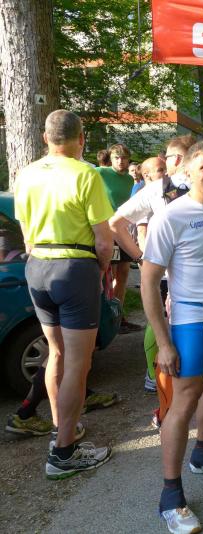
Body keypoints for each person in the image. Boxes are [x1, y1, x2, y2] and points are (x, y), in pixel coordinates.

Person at [140, 139, 203, 534]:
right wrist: (164, 342)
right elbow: (149, 281)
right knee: (184, 401)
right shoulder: (172, 216)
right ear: (188, 172)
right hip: (189, 321)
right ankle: (170, 495)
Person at [109, 135, 203, 430]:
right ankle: (163, 403)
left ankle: (197, 433)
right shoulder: (159, 192)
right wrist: (142, 258)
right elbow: (116, 223)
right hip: (174, 286)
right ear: (185, 166)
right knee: (180, 376)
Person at [14, 109, 114, 479]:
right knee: (77, 363)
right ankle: (64, 452)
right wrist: (100, 273)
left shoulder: (26, 174)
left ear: (45, 138)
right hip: (74, 267)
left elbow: (26, 232)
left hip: (37, 264)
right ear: (81, 138)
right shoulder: (86, 174)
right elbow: (104, 242)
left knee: (56, 353)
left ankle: (63, 429)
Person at [97, 143, 141, 335]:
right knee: (107, 274)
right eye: (116, 157)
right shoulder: (101, 172)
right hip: (106, 229)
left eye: (124, 158)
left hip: (123, 230)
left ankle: (118, 317)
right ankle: (103, 317)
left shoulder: (130, 180)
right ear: (111, 158)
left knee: (123, 273)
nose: (120, 161)